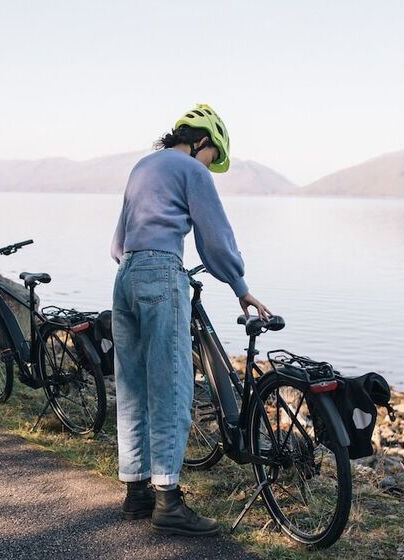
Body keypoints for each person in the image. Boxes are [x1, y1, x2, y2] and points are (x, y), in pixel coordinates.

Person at [109, 104, 271, 536]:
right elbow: (214, 239)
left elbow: (117, 243)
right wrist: (240, 286)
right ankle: (168, 500)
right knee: (173, 384)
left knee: (132, 386)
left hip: (124, 277)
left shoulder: (143, 166)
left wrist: (138, 267)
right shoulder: (191, 170)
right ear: (202, 141)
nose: (210, 167)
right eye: (212, 157)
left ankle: (136, 493)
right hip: (162, 273)